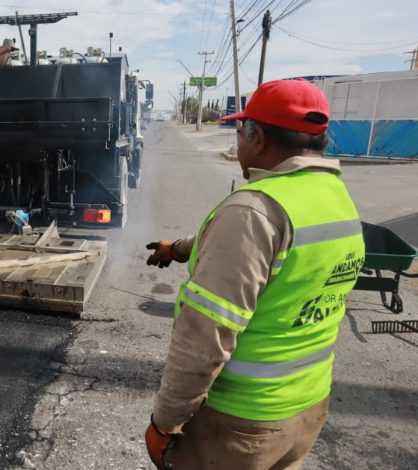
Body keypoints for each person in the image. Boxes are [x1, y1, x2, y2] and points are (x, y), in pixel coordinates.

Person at [143, 79, 365, 470]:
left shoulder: (252, 211)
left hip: (241, 423)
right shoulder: (333, 196)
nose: (239, 142)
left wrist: (164, 422)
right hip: (306, 409)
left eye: (240, 131)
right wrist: (177, 248)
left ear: (256, 136)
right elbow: (267, 248)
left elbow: (205, 339)